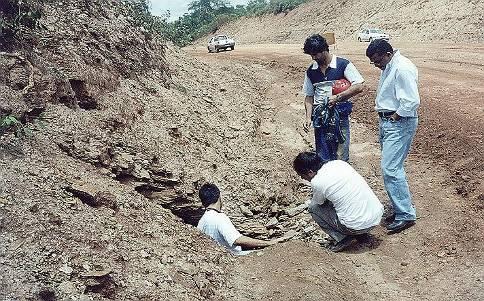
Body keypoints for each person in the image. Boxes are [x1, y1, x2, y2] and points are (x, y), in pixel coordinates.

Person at [366, 39, 420, 233]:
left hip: (398, 122)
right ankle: (401, 209)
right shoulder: (391, 66)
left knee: (390, 168)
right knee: (392, 167)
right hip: (389, 122)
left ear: (387, 54)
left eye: (377, 60)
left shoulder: (402, 68)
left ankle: (405, 215)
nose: (376, 65)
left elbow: (411, 101)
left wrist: (395, 117)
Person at [293, 152, 383, 252]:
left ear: (310, 172)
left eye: (302, 176)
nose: (302, 179)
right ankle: (361, 235)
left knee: (313, 208)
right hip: (376, 217)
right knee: (341, 199)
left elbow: (319, 203)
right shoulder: (339, 163)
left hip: (355, 227)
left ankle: (342, 238)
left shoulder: (317, 181)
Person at [302, 34, 365, 162]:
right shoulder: (311, 71)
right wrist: (308, 117)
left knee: (341, 155)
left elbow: (359, 86)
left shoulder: (343, 64)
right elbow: (309, 96)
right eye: (311, 55)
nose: (313, 58)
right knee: (323, 154)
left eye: (316, 54)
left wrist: (338, 97)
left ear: (324, 50)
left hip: (339, 115)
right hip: (320, 118)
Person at [197, 183, 284, 255]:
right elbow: (237, 240)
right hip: (234, 257)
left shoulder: (201, 221)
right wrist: (268, 243)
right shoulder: (219, 217)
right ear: (219, 197)